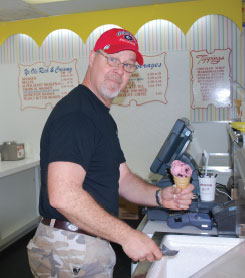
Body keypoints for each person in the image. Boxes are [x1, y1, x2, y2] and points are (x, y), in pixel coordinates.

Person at [27, 28, 194, 278]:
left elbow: (122, 179)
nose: (119, 70)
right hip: (69, 247)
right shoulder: (77, 115)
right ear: (93, 58)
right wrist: (127, 236)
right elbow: (62, 195)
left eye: (128, 65)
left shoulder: (100, 116)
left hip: (84, 243)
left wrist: (161, 197)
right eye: (112, 59)